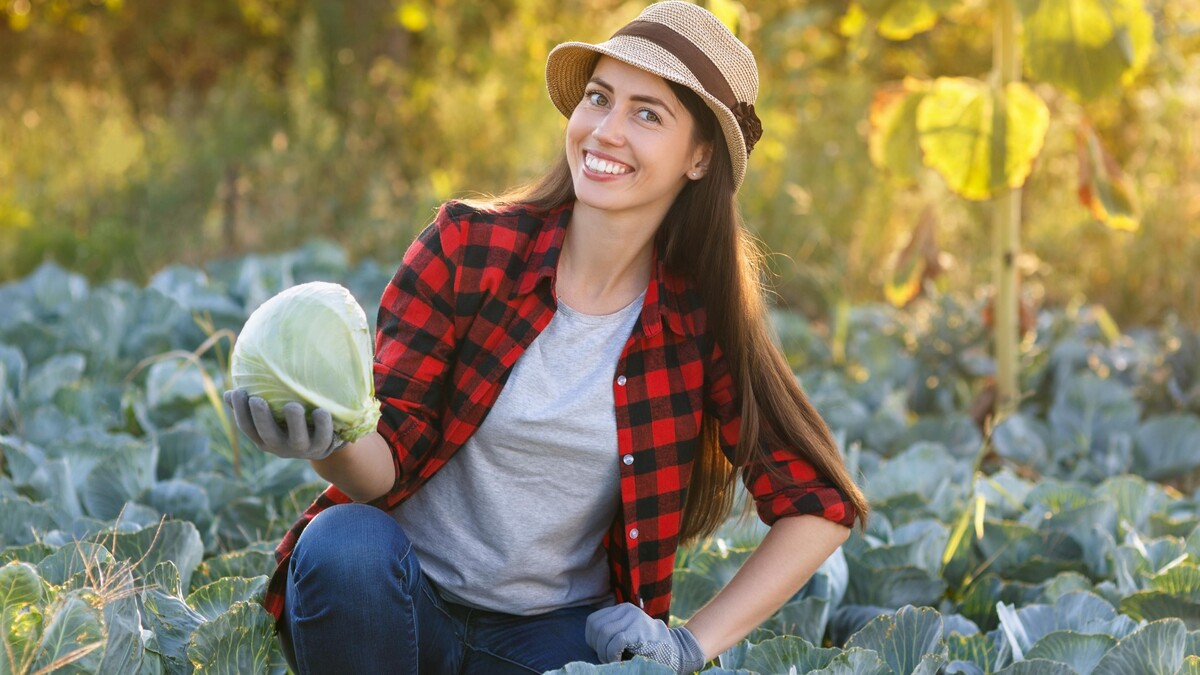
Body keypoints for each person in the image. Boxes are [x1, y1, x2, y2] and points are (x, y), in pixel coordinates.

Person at [224, 2, 869, 673]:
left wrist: (688, 642)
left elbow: (818, 503)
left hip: (550, 638)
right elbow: (388, 459)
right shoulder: (468, 246)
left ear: (700, 156)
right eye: (599, 98)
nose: (607, 131)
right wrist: (331, 443)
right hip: (396, 597)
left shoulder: (697, 322)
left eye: (648, 114)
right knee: (343, 544)